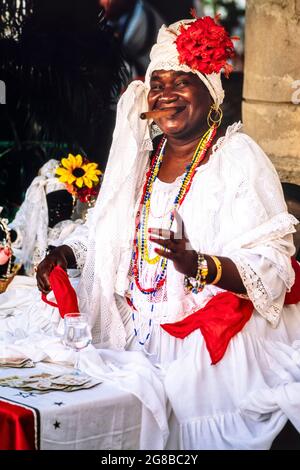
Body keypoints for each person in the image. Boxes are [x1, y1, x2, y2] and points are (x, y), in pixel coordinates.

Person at [34, 14, 300, 449]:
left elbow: (272, 266)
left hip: (207, 341)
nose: (166, 94)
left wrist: (197, 264)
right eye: (158, 83)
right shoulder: (143, 158)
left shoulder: (237, 159)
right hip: (135, 329)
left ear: (211, 93)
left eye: (182, 82)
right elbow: (112, 231)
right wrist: (68, 253)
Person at [9, 159, 84, 277]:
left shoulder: (74, 229)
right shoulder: (34, 229)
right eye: (54, 202)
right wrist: (10, 234)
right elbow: (19, 235)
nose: (60, 207)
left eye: (66, 201)